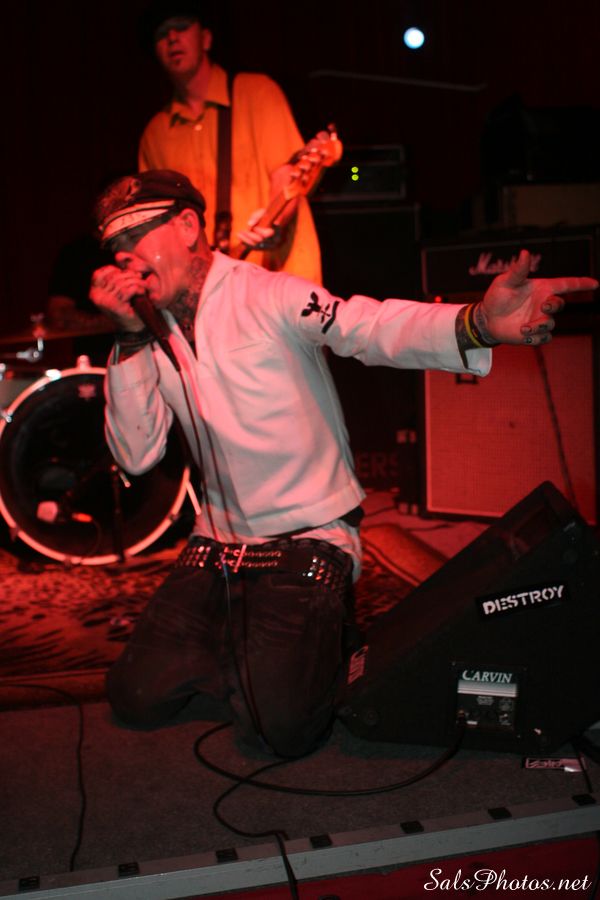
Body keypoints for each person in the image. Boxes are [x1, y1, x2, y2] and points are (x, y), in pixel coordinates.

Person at [90, 169, 596, 758]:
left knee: (280, 730)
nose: (125, 256)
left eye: (137, 236)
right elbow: (136, 456)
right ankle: (262, 648)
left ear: (186, 226)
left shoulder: (268, 294)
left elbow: (368, 327)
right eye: (115, 247)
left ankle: (296, 643)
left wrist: (477, 321)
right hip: (218, 546)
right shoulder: (147, 330)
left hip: (309, 539)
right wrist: (129, 340)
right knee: (136, 696)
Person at [137, 0, 322, 281]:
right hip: (212, 291)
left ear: (206, 38)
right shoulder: (155, 134)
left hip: (281, 280)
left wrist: (275, 223)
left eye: (181, 26)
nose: (172, 37)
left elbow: (287, 172)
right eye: (161, 33)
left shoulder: (258, 93)